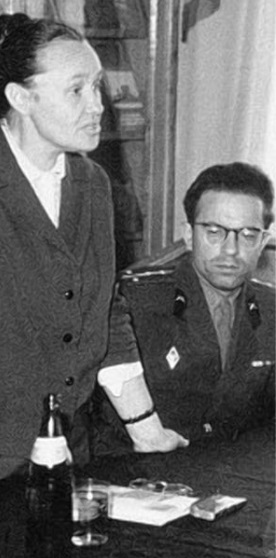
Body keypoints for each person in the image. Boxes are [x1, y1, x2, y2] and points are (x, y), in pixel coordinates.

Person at [0, 13, 185, 510]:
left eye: (97, 87)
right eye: (77, 90)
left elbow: (104, 312)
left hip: (57, 445)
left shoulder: (91, 184)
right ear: (21, 98)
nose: (97, 105)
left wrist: (146, 429)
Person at [92, 162, 274, 454]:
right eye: (214, 232)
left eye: (248, 235)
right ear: (189, 235)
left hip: (232, 470)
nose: (231, 249)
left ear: (264, 241)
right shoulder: (133, 300)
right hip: (138, 469)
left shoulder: (271, 308)